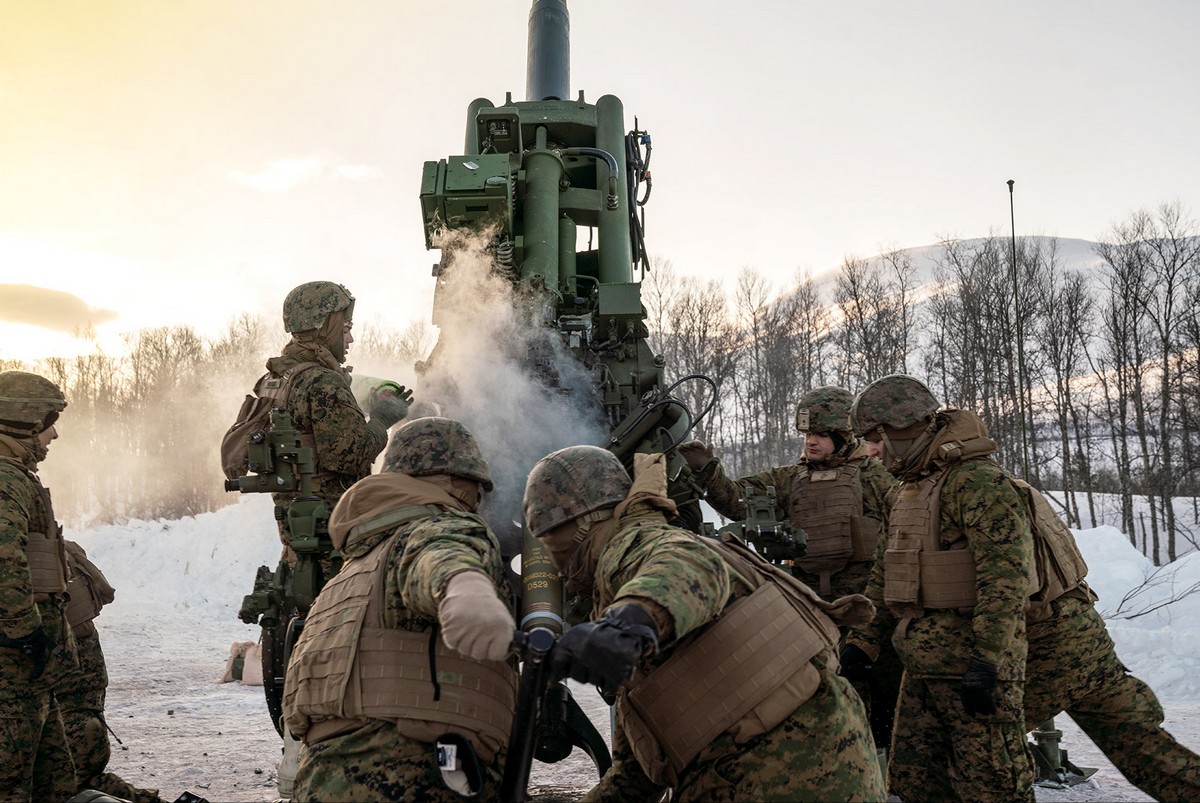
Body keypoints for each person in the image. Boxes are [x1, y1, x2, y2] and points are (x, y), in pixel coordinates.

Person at [522, 446, 885, 802]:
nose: (554, 564)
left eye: (551, 543)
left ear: (580, 526)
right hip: (830, 768)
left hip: (769, 777)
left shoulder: (633, 544)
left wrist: (628, 623)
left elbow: (687, 565)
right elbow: (637, 777)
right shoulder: (640, 552)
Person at [283, 417, 518, 802]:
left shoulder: (351, 572)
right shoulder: (439, 523)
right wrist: (465, 588)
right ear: (459, 484)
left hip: (322, 781)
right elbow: (439, 550)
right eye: (476, 492)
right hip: (410, 775)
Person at [842, 374, 1037, 802]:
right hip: (922, 668)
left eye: (874, 438)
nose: (869, 450)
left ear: (901, 430)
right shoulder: (905, 490)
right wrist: (862, 644)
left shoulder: (978, 483)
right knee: (916, 787)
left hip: (973, 670)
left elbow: (1004, 581)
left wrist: (987, 662)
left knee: (993, 788)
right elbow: (884, 575)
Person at [678, 386, 901, 751]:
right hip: (810, 603)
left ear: (843, 436)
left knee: (882, 692)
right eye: (806, 434)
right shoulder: (790, 479)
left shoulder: (875, 479)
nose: (810, 442)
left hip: (867, 606)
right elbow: (737, 501)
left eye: (819, 435)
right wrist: (708, 470)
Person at [258, 280, 411, 557]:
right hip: (334, 537)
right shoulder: (322, 382)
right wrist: (381, 418)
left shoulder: (275, 378)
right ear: (323, 328)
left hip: (299, 533)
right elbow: (351, 454)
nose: (350, 339)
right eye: (345, 329)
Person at [0, 370, 79, 801]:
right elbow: (3, 558)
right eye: (48, 421)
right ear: (24, 421)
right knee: (12, 783)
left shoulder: (14, 473)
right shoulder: (6, 477)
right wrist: (23, 631)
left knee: (53, 781)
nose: (53, 434)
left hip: (24, 667)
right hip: (11, 663)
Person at [56, 540, 164, 803]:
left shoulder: (22, 553)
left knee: (70, 778)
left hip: (69, 682)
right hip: (77, 679)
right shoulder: (53, 545)